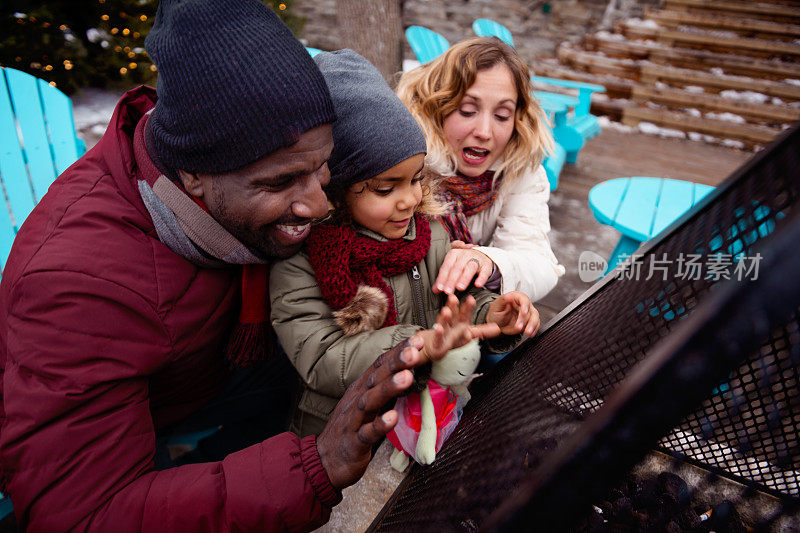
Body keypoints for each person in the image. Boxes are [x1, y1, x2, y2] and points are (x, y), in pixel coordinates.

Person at [0, 2, 453, 530]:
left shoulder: (213, 145)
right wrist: (317, 467)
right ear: (193, 176)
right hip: (145, 435)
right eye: (281, 183)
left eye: (322, 167)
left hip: (222, 372)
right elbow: (82, 514)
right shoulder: (80, 286)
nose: (318, 203)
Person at [270, 50, 539, 438]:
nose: (410, 200)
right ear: (337, 191)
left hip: (425, 418)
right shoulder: (302, 261)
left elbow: (461, 301)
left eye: (415, 179)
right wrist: (415, 346)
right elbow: (321, 357)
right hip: (343, 433)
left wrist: (493, 315)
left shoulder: (428, 232)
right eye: (385, 188)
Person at [396, 37, 566, 303]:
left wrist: (488, 261)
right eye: (467, 111)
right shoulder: (404, 165)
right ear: (436, 108)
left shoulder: (521, 172)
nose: (485, 132)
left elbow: (539, 262)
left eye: (501, 116)